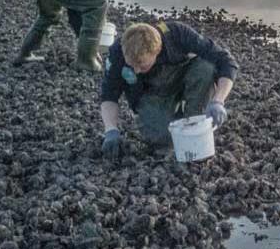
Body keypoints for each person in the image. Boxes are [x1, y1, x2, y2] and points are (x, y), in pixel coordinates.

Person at [97, 20, 238, 159]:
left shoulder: (177, 34)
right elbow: (109, 94)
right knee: (162, 140)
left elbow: (226, 61)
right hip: (152, 95)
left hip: (184, 79)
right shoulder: (117, 52)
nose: (136, 70)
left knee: (206, 67)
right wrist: (111, 130)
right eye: (131, 65)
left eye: (142, 65)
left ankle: (196, 120)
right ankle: (173, 120)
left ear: (157, 50)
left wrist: (218, 101)